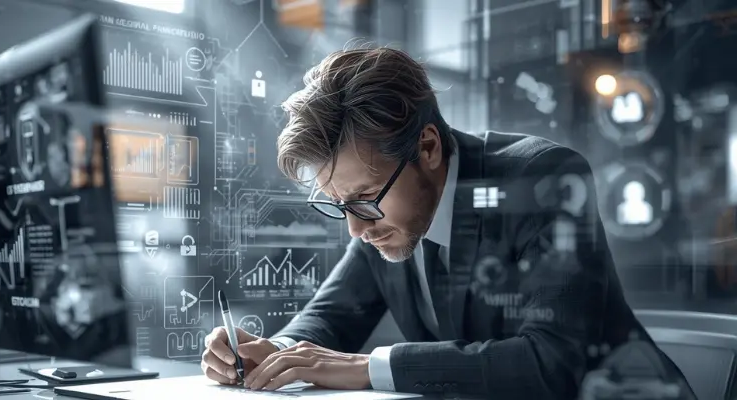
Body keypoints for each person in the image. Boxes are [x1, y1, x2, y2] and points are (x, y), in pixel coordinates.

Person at [202, 48, 693, 399]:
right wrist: (271, 353)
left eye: (364, 201)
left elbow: (555, 364)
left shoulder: (543, 179)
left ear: (428, 147)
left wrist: (371, 368)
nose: (355, 228)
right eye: (339, 205)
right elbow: (332, 318)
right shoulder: (383, 214)